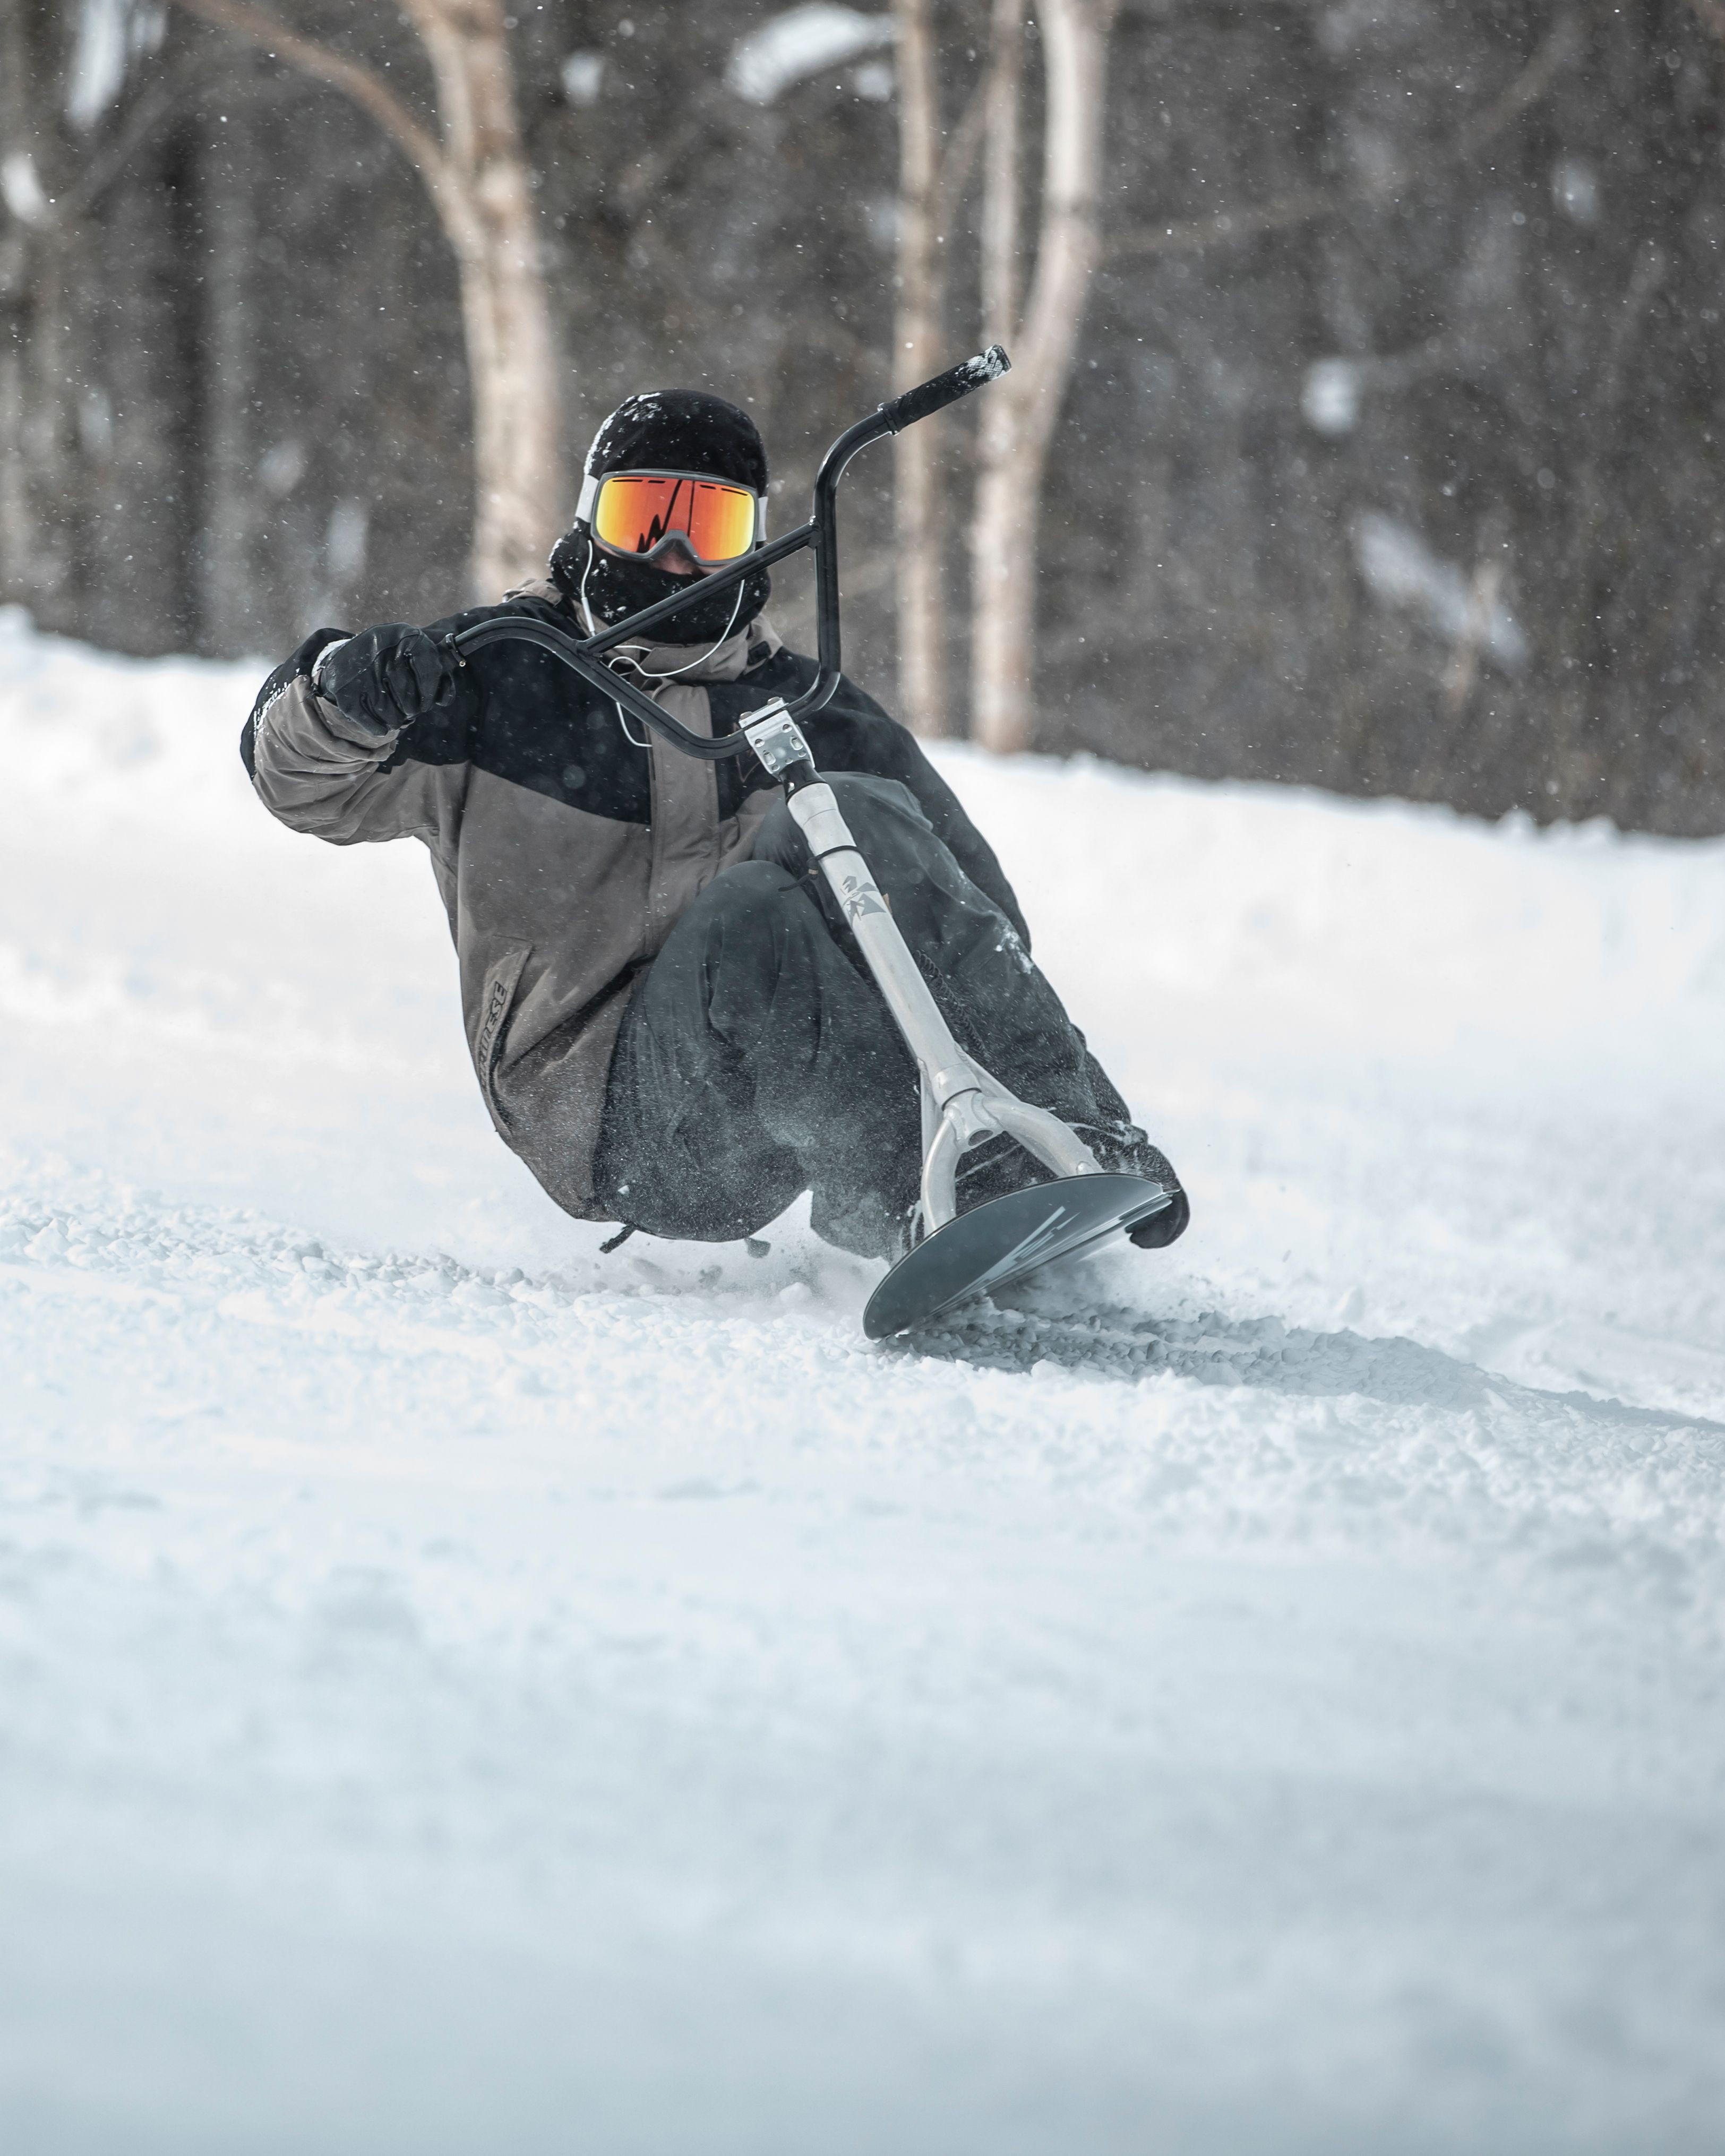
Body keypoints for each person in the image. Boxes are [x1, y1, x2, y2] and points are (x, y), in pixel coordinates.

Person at [243, 389, 1188, 1263]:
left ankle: (1073, 1139)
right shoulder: (498, 681)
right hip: (601, 1110)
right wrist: (341, 700)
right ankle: (910, 1205)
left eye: (710, 526)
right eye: (642, 518)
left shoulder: (810, 708)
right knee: (753, 918)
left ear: (756, 543)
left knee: (856, 813)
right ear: (588, 522)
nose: (672, 557)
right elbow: (302, 786)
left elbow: (973, 913)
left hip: (771, 1105)